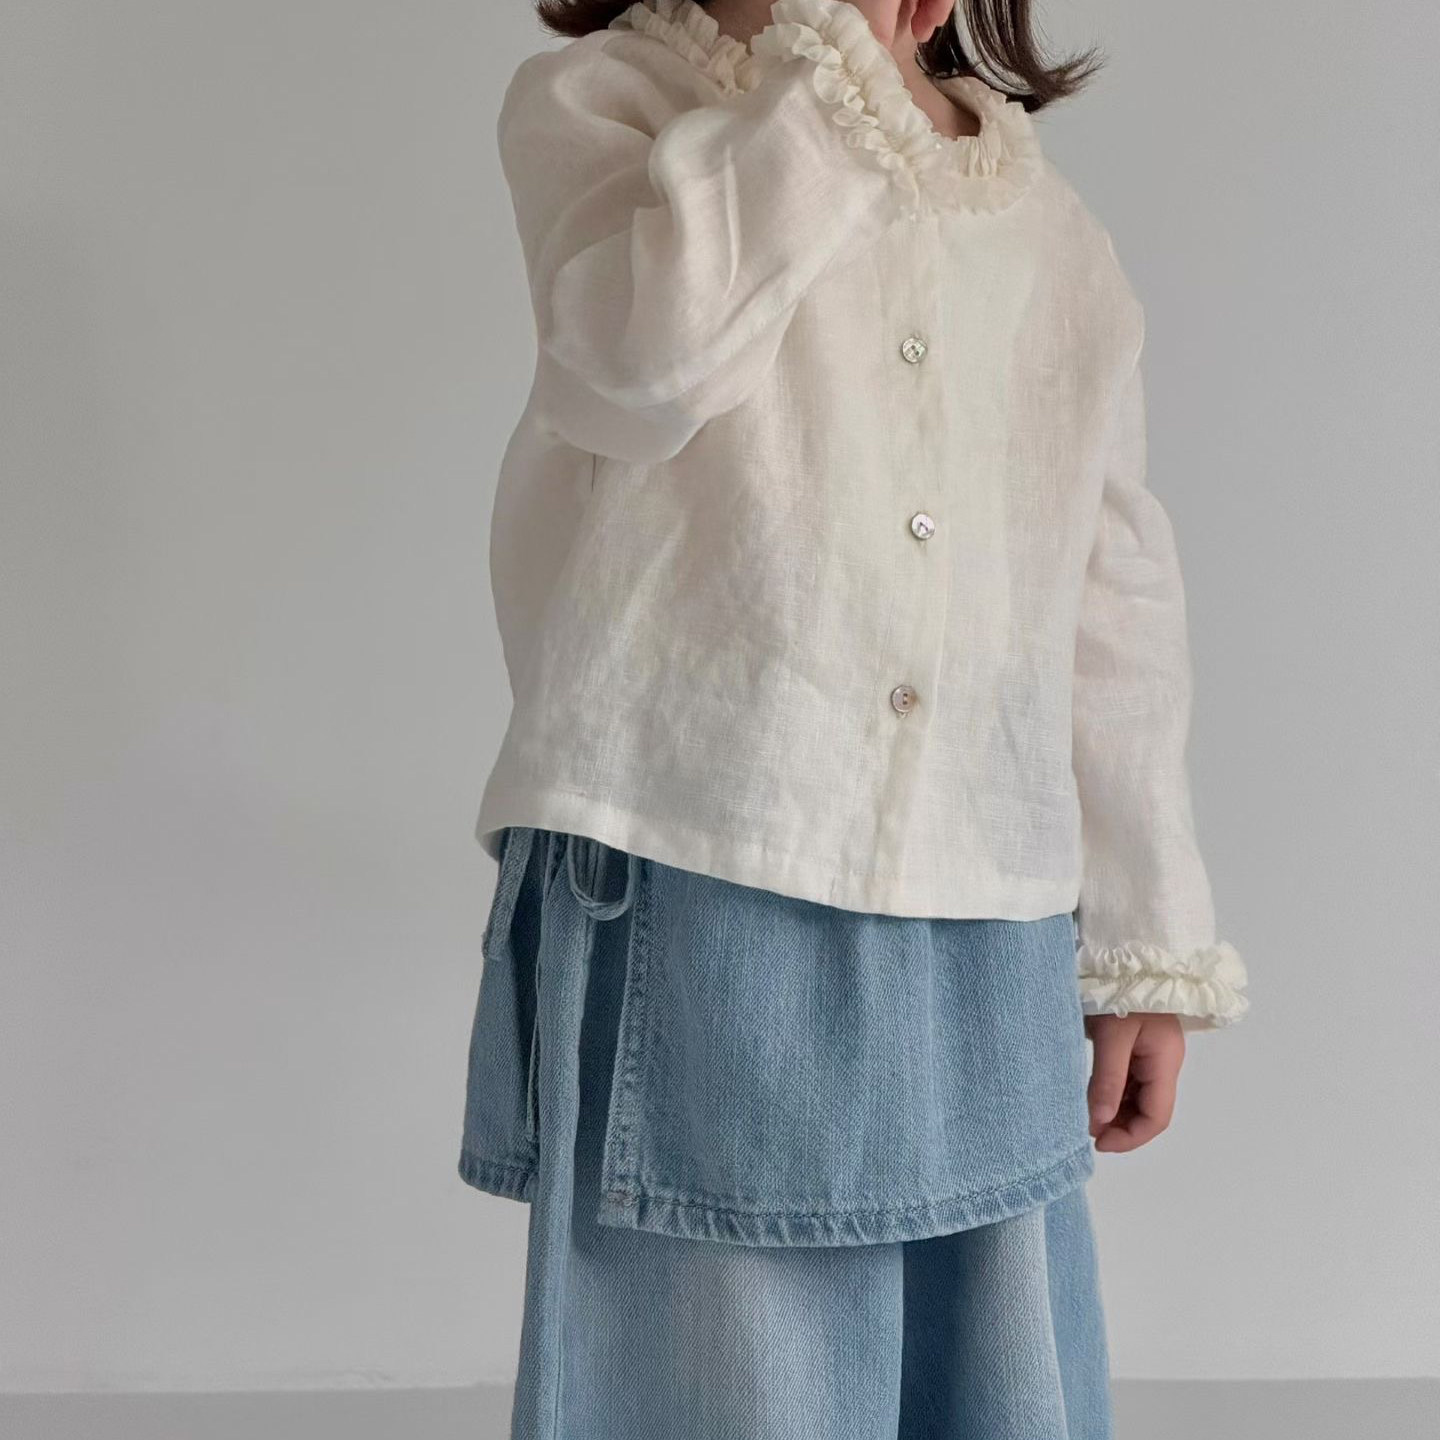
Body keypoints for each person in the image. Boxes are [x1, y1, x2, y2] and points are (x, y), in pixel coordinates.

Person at [459, 1, 1250, 1435]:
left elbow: (1113, 591)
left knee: (999, 1377)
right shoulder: (606, 107)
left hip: (990, 901)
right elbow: (637, 372)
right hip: (700, 860)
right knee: (723, 1377)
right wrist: (831, 87)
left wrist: (1145, 930)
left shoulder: (1048, 229)